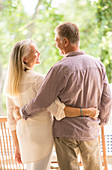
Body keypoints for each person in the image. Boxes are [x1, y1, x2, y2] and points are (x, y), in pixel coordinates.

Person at [4, 39, 98, 170]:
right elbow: (59, 111)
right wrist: (87, 112)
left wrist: (17, 147)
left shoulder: (10, 84)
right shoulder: (38, 80)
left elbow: (11, 121)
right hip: (42, 137)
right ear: (25, 59)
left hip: (23, 137)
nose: (39, 53)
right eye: (35, 51)